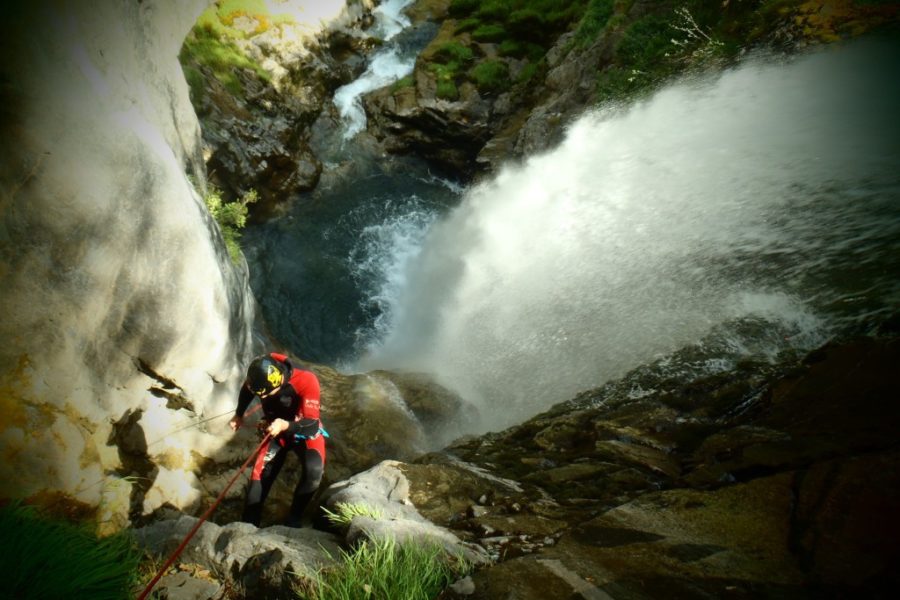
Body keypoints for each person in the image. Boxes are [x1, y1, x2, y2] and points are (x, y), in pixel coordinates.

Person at [229, 352, 326, 527]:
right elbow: (247, 390)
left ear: (278, 381)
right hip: (275, 431)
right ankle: (248, 528)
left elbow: (312, 425)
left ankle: (294, 519)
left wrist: (286, 426)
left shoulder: (306, 380)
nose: (263, 398)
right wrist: (238, 415)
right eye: (261, 395)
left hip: (301, 428)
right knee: (255, 488)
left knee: (314, 470)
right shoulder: (261, 371)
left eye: (266, 394)